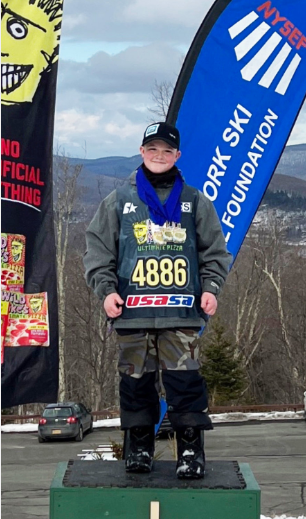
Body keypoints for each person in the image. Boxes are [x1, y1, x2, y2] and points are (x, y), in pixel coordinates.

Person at [84, 122, 232, 478]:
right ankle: (138, 448)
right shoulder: (120, 200)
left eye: (167, 151)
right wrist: (106, 292)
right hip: (133, 314)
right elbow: (97, 250)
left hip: (180, 314)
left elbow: (214, 252)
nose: (159, 156)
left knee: (185, 385)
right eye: (153, 149)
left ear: (177, 156)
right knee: (136, 383)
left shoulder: (194, 201)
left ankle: (191, 450)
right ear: (142, 151)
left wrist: (210, 289)